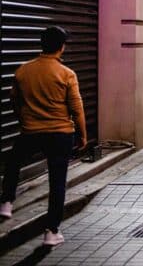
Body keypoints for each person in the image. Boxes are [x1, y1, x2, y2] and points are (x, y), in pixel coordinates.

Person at [0, 27, 87, 246]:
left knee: (13, 163)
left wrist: (25, 121)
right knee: (57, 183)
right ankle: (51, 232)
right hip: (60, 134)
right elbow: (77, 109)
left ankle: (7, 201)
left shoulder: (23, 71)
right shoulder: (66, 74)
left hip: (31, 131)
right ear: (61, 46)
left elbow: (14, 102)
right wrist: (82, 135)